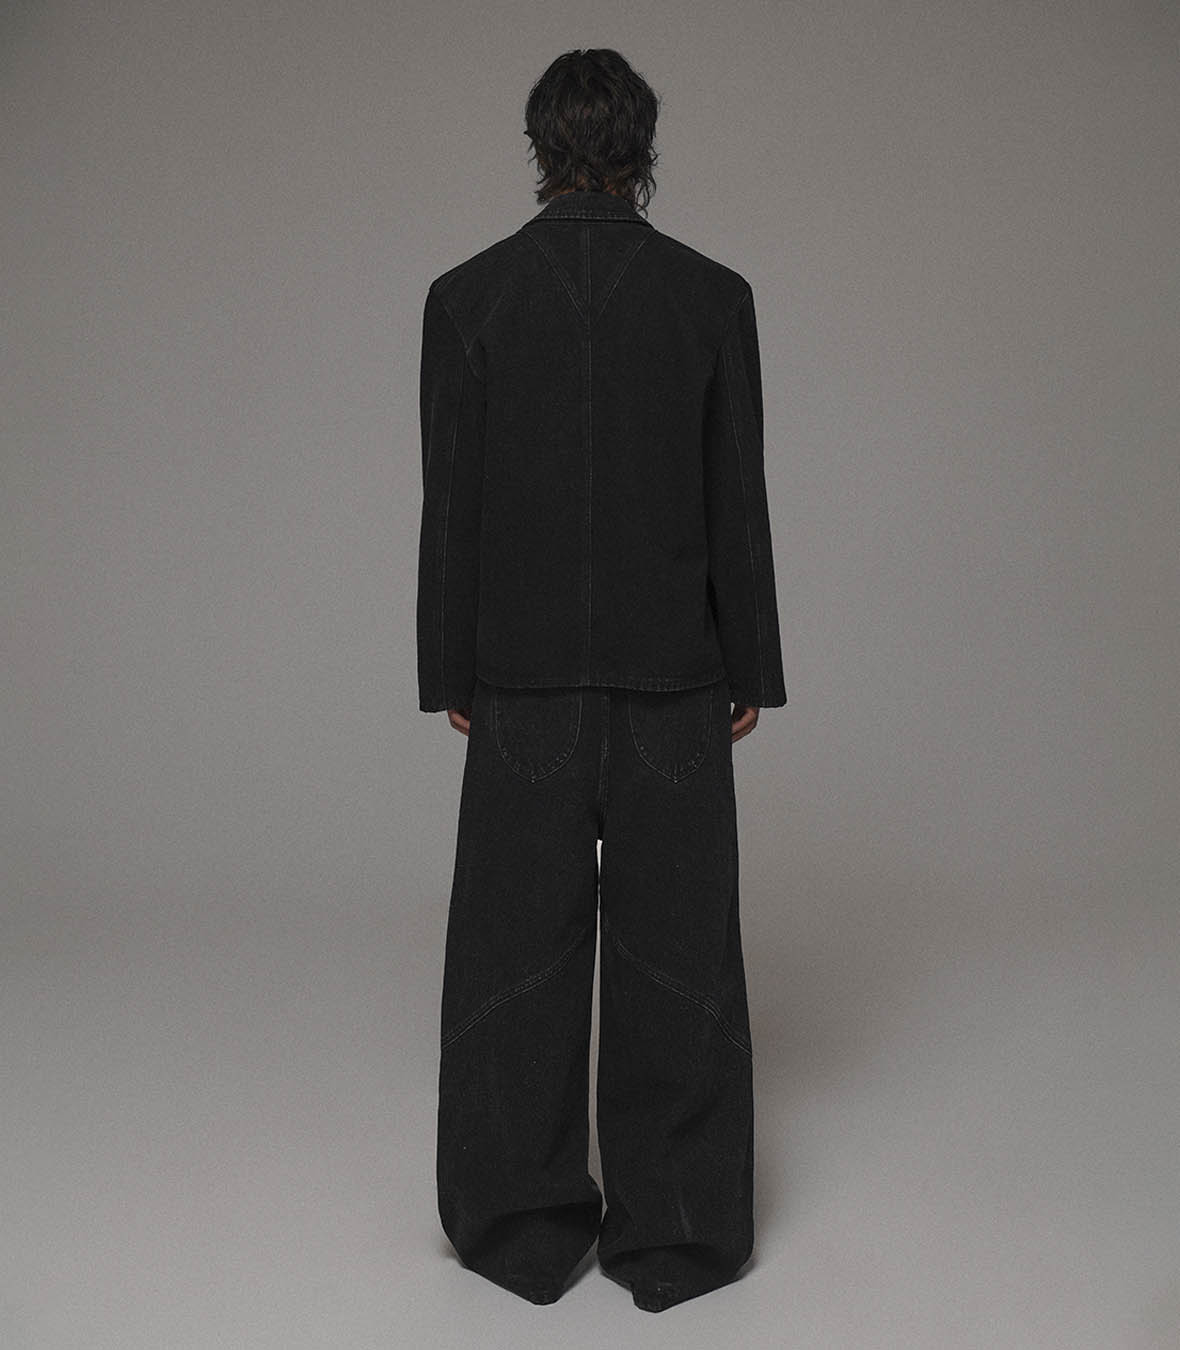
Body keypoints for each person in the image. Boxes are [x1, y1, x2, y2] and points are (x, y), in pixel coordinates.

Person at [415, 47, 787, 1314]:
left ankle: (519, 1226)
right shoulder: (710, 299)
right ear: (643, 148)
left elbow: (452, 506)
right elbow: (736, 500)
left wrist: (451, 668)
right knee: (679, 960)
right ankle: (676, 1234)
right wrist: (751, 663)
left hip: (519, 684)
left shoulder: (467, 299)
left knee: (511, 958)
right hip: (675, 680)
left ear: (539, 148)